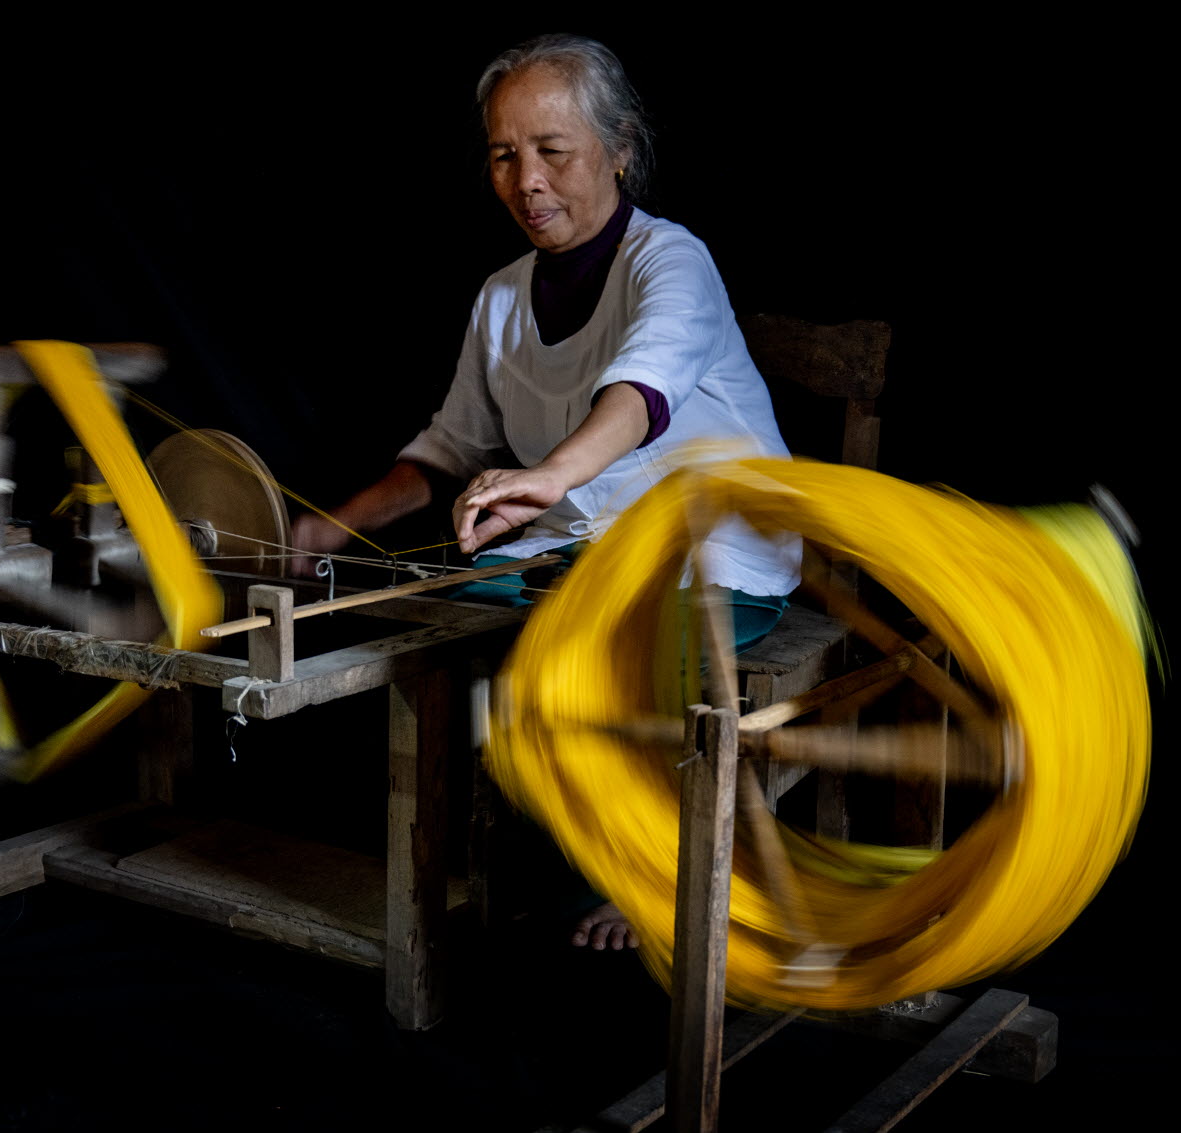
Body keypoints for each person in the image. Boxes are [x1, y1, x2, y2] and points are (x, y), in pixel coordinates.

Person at [290, 35, 801, 950]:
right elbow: (449, 449)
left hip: (715, 552)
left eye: (553, 150)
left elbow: (640, 394)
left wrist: (548, 476)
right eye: (503, 154)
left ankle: (662, 870)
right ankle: (459, 889)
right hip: (578, 550)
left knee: (583, 656)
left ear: (619, 149)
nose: (527, 181)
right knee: (457, 632)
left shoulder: (670, 262)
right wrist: (332, 527)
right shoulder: (500, 299)